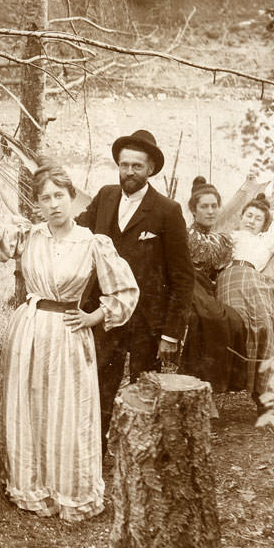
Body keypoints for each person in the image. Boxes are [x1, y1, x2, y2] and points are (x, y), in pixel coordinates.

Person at [0, 160, 139, 521]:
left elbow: (125, 291)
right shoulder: (30, 235)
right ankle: (31, 487)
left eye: (59, 196)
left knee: (67, 411)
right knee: (30, 406)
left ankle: (69, 490)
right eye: (44, 198)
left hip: (70, 334)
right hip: (29, 330)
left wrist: (94, 316)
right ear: (36, 204)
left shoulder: (93, 243)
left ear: (72, 198)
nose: (53, 204)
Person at [75, 129, 194, 444]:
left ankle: (139, 462)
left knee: (143, 394)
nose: (129, 171)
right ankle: (94, 458)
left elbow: (183, 277)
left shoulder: (168, 211)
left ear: (151, 169)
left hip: (147, 322)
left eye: (136, 166)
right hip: (105, 314)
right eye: (124, 164)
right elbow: (75, 237)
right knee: (98, 388)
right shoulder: (105, 197)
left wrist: (171, 332)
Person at [216, 194, 274, 411]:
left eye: (257, 218)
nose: (251, 220)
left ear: (264, 225)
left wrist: (269, 203)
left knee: (263, 325)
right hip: (229, 279)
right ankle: (218, 386)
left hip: (254, 280)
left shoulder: (266, 241)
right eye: (248, 215)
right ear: (240, 218)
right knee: (237, 325)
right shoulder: (228, 237)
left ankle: (263, 394)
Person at [178, 177, 248, 393]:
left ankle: (217, 384)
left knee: (234, 320)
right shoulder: (183, 236)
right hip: (188, 285)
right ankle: (198, 385)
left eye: (214, 206)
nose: (210, 211)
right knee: (207, 318)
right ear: (193, 210)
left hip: (210, 289)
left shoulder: (223, 240)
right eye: (204, 206)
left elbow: (222, 273)